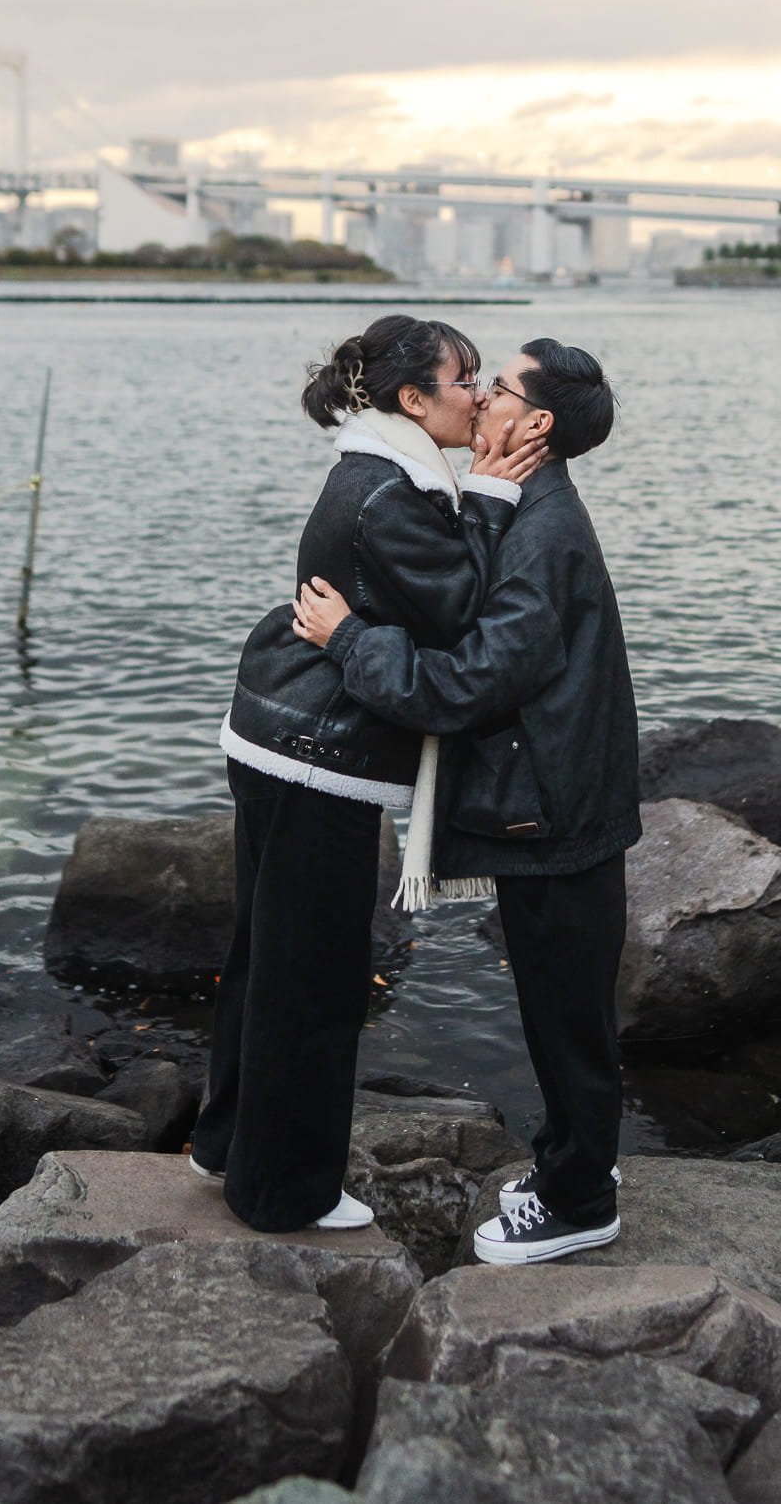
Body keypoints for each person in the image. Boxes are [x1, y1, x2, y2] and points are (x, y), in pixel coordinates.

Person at [190, 313, 544, 1232]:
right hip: (320, 758)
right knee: (314, 978)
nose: (479, 397)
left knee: (265, 955)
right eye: (464, 382)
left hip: (282, 739)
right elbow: (464, 613)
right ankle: (282, 1194)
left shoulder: (382, 474)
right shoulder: (390, 495)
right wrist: (495, 498)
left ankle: (226, 1145)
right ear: (412, 399)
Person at [293, 336, 639, 1265]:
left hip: (556, 810)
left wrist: (348, 640)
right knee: (561, 1008)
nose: (479, 396)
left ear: (536, 423)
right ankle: (577, 1163)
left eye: (500, 388)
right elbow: (481, 616)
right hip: (557, 799)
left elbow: (465, 682)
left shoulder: (543, 530)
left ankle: (578, 1202)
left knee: (566, 1018)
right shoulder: (528, 507)